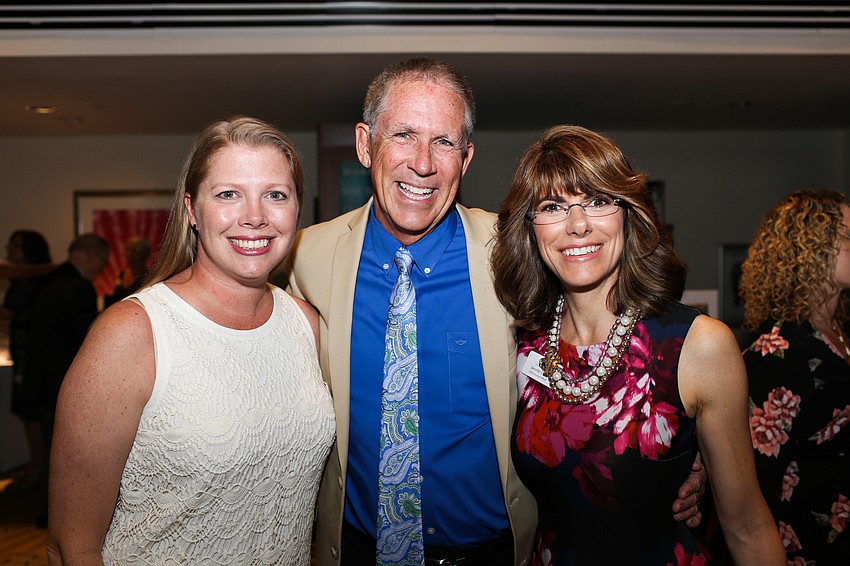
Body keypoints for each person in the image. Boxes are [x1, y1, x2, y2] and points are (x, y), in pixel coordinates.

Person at [286, 57, 705, 566]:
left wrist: (682, 454)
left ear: (465, 160)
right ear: (365, 143)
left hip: (492, 554)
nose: (423, 162)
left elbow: (613, 341)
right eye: (403, 135)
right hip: (354, 552)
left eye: (443, 142)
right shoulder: (306, 255)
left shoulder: (515, 251)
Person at [46, 116, 335, 564]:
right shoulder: (132, 334)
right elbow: (71, 545)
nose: (255, 217)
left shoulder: (305, 323)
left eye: (275, 195)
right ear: (191, 210)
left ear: (298, 208)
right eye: (228, 195)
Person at [490, 125, 785, 564]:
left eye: (597, 200)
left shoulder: (698, 346)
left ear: (629, 214)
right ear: (531, 230)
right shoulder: (523, 346)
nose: (578, 224)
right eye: (553, 206)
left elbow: (746, 526)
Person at [740, 189, 850, 564]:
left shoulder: (841, 331)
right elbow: (755, 481)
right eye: (847, 236)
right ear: (811, 248)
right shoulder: (780, 350)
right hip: (804, 546)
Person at [0, 230, 52, 491]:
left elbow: (7, 312)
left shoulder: (27, 280)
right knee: (29, 414)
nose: (10, 249)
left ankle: (37, 470)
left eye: (16, 245)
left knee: (30, 412)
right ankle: (35, 468)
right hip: (26, 353)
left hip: (28, 355)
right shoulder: (32, 278)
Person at [103, 235, 151, 307]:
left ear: (144, 254)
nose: (129, 254)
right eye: (127, 250)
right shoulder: (122, 275)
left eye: (134, 251)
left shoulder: (148, 278)